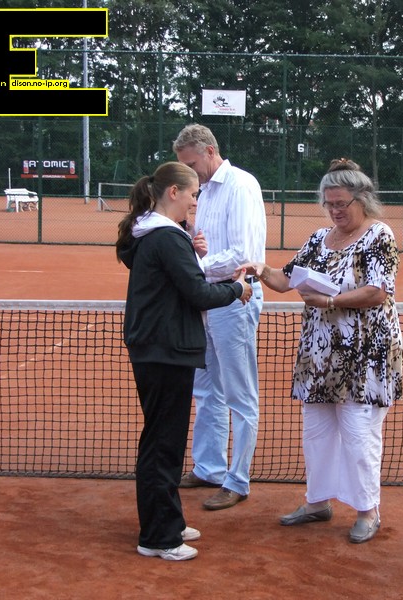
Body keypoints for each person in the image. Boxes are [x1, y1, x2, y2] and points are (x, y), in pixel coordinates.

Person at [240, 158, 403, 544]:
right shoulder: (318, 239)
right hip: (319, 354)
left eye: (341, 204)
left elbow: (377, 292)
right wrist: (260, 269)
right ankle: (317, 502)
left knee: (358, 434)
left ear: (362, 199)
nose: (334, 211)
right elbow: (286, 280)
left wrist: (331, 301)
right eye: (329, 204)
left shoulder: (379, 235)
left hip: (365, 354)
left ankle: (368, 511)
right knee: (317, 431)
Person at [115, 162, 252, 560]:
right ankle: (158, 537)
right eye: (192, 194)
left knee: (164, 441)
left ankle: (168, 522)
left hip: (159, 348)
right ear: (173, 192)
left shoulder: (155, 234)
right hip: (165, 350)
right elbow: (198, 293)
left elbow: (176, 279)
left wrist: (191, 247)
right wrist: (237, 289)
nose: (196, 201)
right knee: (163, 444)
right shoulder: (166, 237)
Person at [172, 124, 267, 511]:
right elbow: (206, 248)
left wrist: (192, 269)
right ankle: (209, 468)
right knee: (206, 389)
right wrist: (193, 248)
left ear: (210, 151)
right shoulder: (205, 191)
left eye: (192, 164)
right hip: (206, 299)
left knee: (240, 395)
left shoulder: (241, 186)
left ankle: (237, 480)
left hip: (236, 299)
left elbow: (242, 255)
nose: (189, 172)